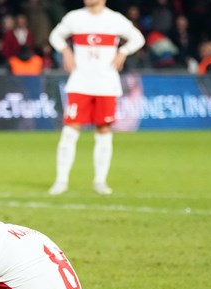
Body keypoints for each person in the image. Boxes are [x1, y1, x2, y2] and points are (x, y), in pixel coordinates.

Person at [47, 0, 145, 196]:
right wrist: (66, 51)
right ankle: (61, 181)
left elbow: (138, 39)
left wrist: (123, 52)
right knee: (70, 130)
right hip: (79, 83)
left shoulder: (115, 19)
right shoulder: (75, 17)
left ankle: (100, 181)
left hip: (106, 84)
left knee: (104, 131)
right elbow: (55, 36)